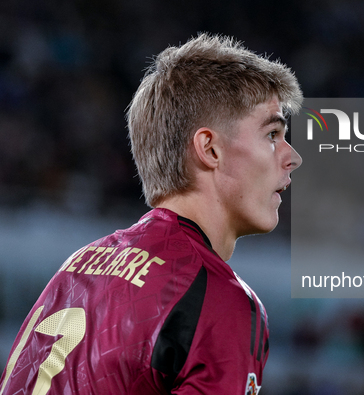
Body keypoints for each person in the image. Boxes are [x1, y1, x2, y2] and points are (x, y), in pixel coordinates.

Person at [0, 33, 303, 394]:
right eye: (272, 134)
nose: (292, 157)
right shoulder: (219, 300)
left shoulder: (78, 266)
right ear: (210, 149)